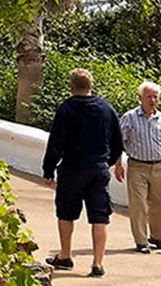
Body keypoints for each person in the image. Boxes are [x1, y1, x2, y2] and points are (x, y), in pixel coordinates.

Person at [41, 68, 124, 278]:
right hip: (98, 169)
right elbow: (117, 142)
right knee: (100, 216)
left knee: (66, 213)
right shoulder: (107, 109)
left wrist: (48, 169)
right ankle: (97, 263)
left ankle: (65, 255)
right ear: (91, 86)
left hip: (72, 169)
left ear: (71, 88)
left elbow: (56, 143)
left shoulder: (66, 109)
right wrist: (108, 161)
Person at [114, 81, 161, 254]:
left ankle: (157, 237)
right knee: (139, 205)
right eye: (148, 96)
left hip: (159, 167)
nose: (152, 100)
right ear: (140, 98)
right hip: (137, 167)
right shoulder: (130, 117)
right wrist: (118, 164)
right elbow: (118, 142)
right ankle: (141, 241)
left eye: (155, 97)